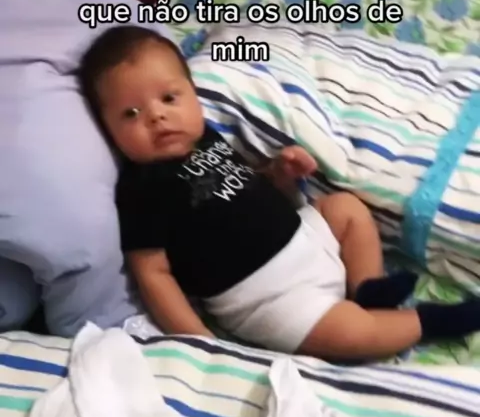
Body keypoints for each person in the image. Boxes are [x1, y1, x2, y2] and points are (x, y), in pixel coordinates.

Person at [76, 26, 480, 362]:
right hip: (269, 300)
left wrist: (280, 174)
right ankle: (435, 321)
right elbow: (153, 274)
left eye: (168, 98)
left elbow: (248, 190)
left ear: (193, 95)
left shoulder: (209, 138)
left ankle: (368, 287)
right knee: (353, 334)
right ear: (107, 129)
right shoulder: (140, 188)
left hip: (306, 236)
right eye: (130, 114)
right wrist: (200, 342)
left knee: (347, 208)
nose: (156, 116)